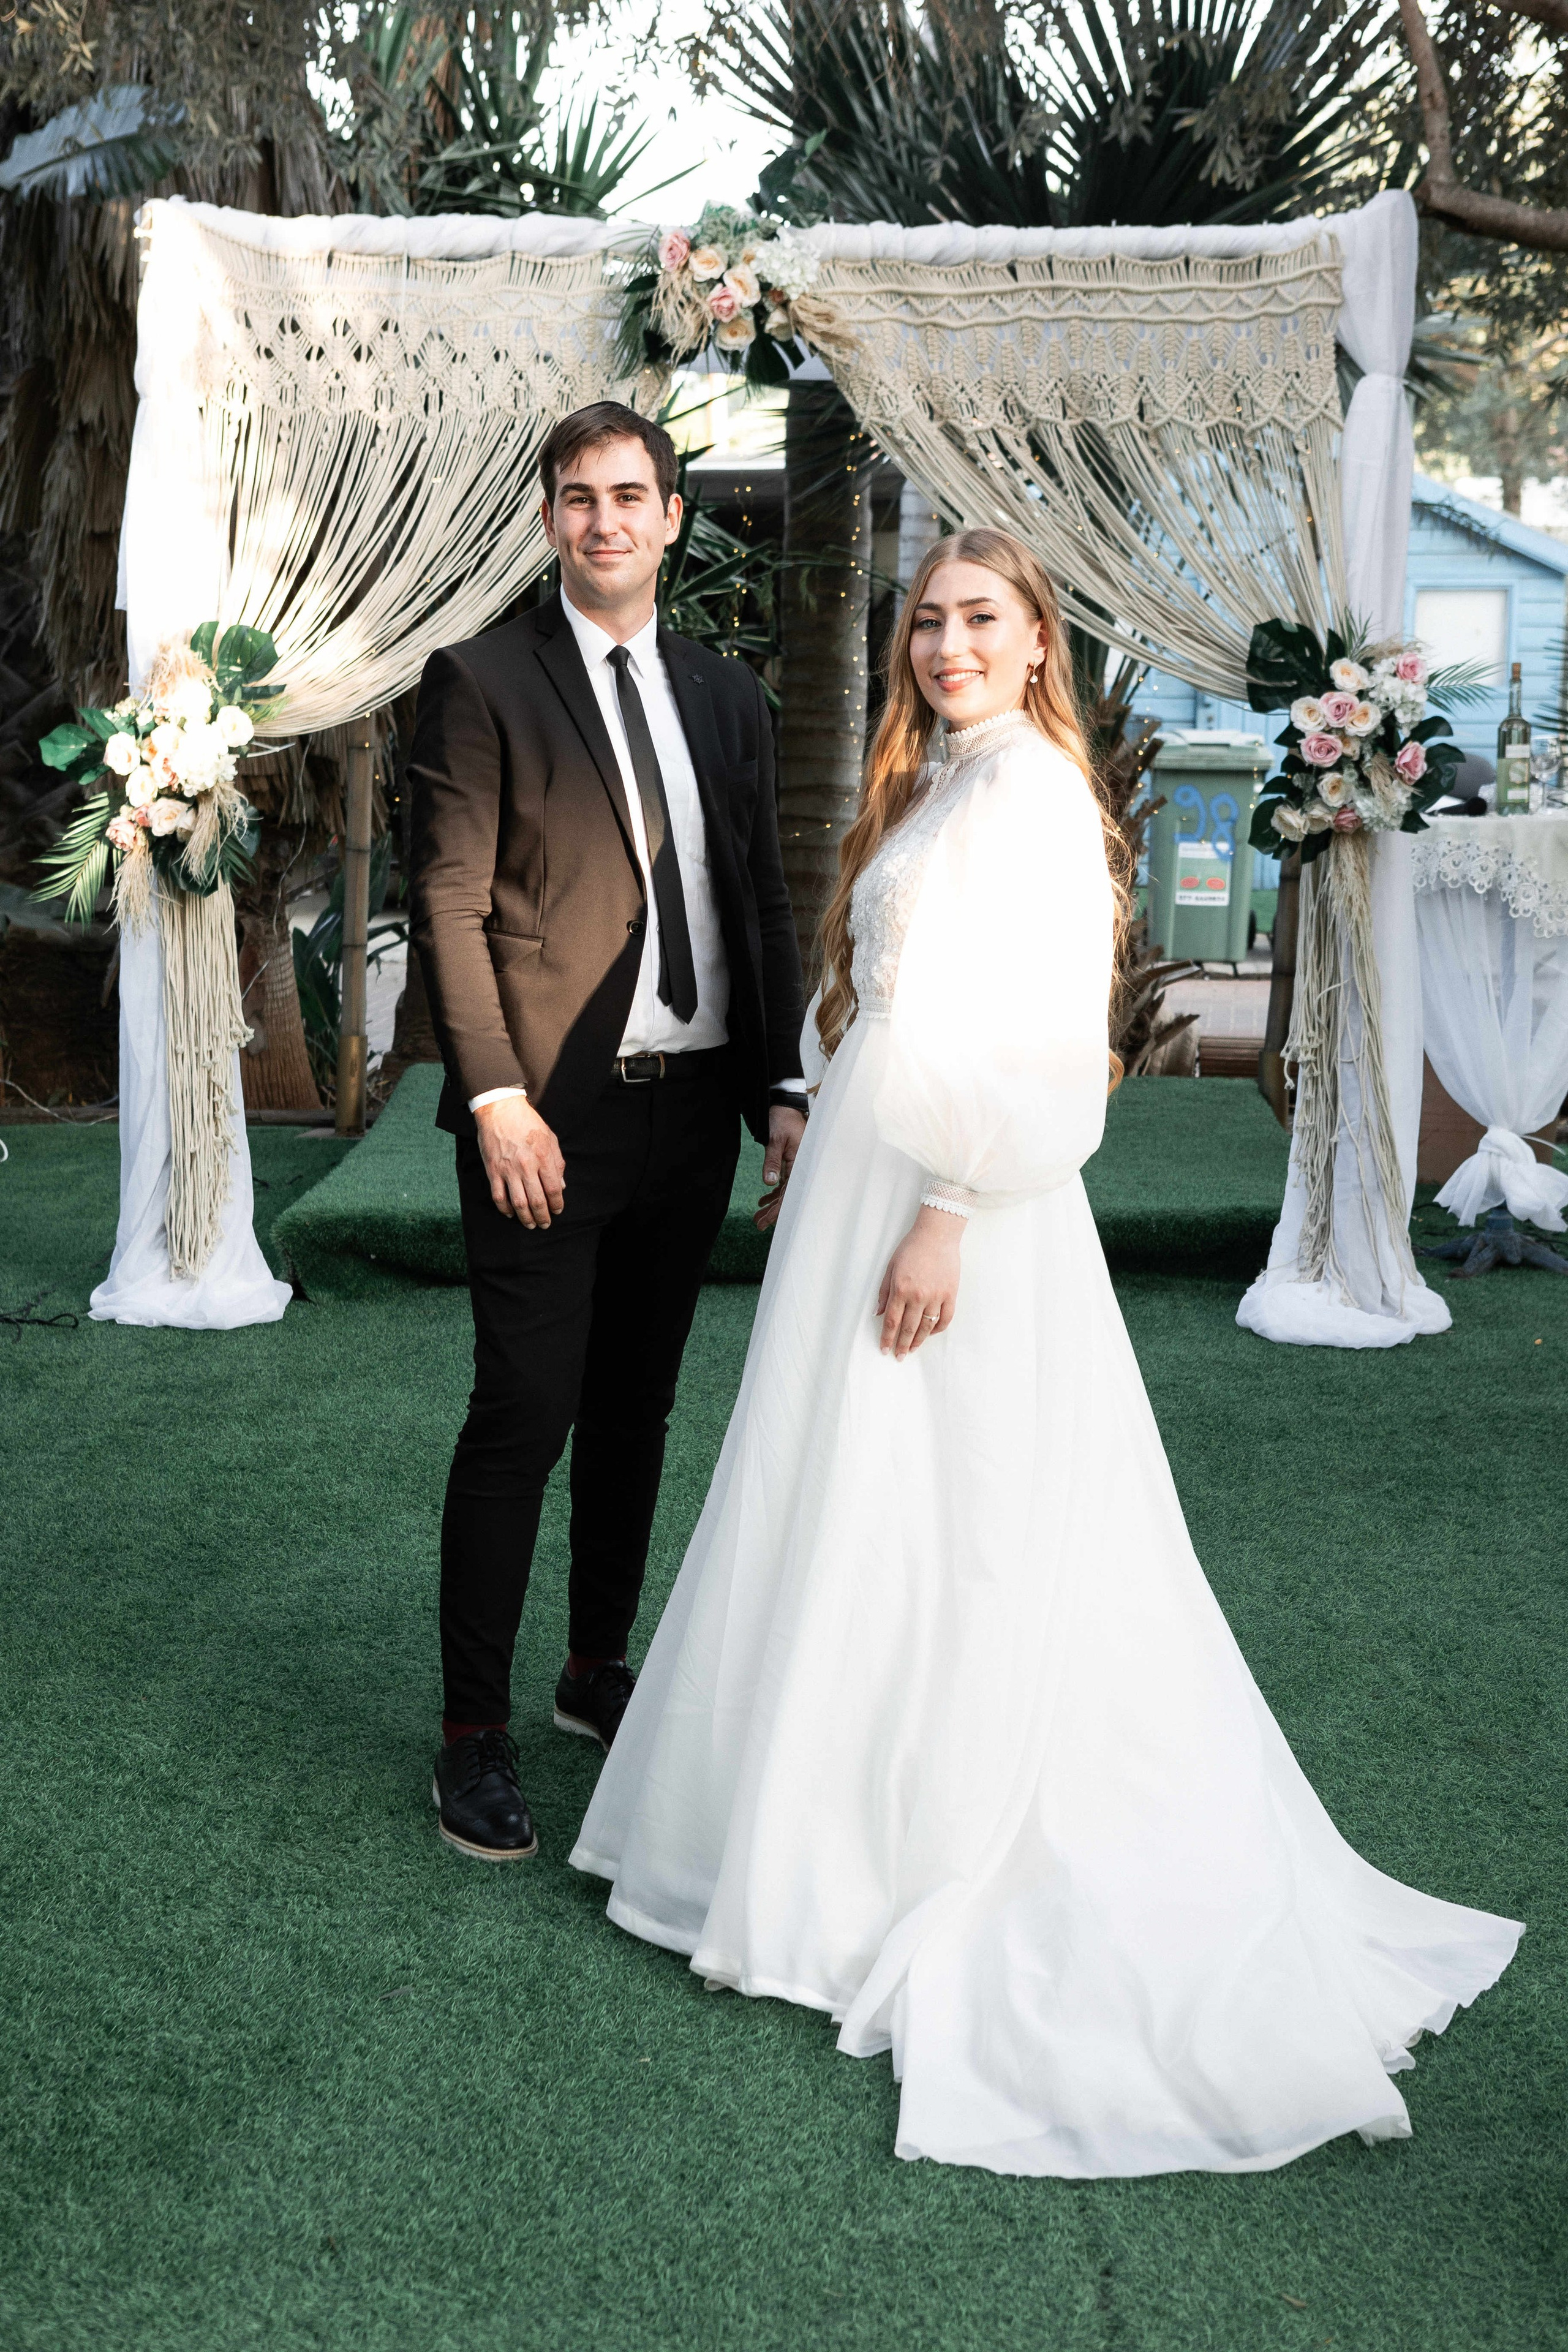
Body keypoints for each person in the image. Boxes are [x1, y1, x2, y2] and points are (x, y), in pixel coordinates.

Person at [569, 527, 1522, 2177]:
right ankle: (811, 1833)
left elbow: (1046, 1047)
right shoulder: (937, 785)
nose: (946, 644)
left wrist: (946, 1204)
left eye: (980, 620)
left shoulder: (1039, 807)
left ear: (1035, 646)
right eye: (929, 622)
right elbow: (884, 984)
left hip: (965, 1206)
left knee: (966, 1521)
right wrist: (820, 1110)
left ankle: (927, 1836)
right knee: (847, 1499)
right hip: (864, 1180)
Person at [408, 402, 807, 1861]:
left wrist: (782, 1088)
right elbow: (449, 906)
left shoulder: (728, 697)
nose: (604, 521)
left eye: (630, 495)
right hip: (544, 1128)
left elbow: (756, 900)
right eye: (577, 498)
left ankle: (590, 1672)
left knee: (635, 1414)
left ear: (673, 515)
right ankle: (470, 1737)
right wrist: (499, 1097)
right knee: (525, 1415)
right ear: (547, 519)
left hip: (695, 1116)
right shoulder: (480, 682)